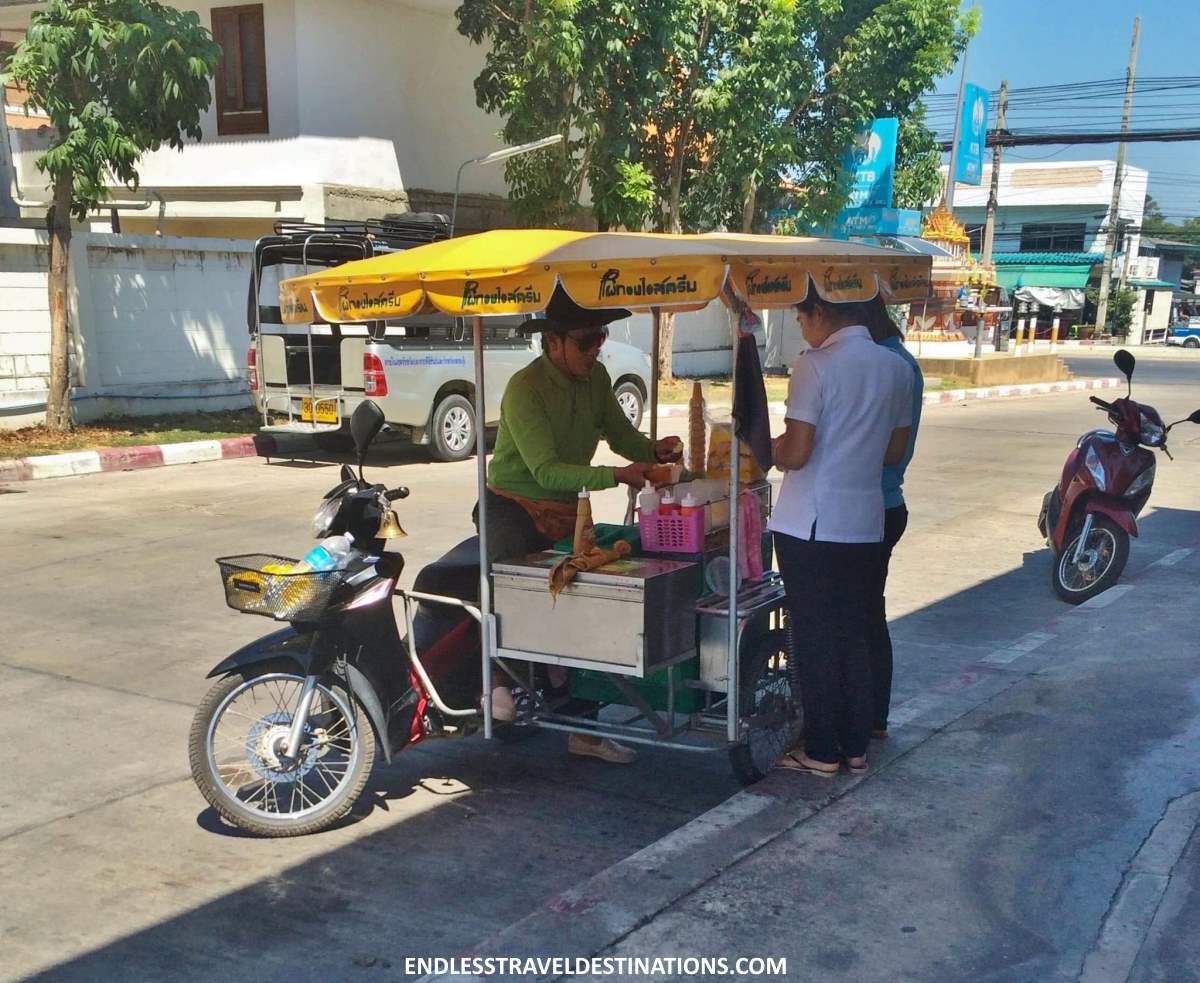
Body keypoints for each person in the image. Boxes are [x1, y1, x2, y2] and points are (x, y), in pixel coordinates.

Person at [475, 286, 682, 764]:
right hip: (512, 504)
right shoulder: (524, 390)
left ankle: (582, 726)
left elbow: (622, 434)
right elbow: (545, 470)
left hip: (567, 509)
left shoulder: (598, 378)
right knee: (509, 587)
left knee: (582, 602)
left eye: (600, 337)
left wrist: (652, 452)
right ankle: (498, 680)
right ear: (554, 342)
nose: (596, 349)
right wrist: (617, 475)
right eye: (586, 340)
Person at [769, 286, 913, 777]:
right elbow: (893, 452)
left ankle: (822, 750)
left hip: (810, 522)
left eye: (801, 316)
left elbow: (796, 452)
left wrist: (760, 447)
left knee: (814, 635)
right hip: (865, 520)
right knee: (853, 631)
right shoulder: (895, 367)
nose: (801, 327)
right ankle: (854, 746)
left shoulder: (815, 364)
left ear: (821, 312)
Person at [864, 297, 924, 742]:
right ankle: (873, 714)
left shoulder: (883, 364)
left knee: (858, 617)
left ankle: (865, 714)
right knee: (868, 614)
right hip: (887, 502)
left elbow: (886, 448)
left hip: (871, 505)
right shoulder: (901, 361)